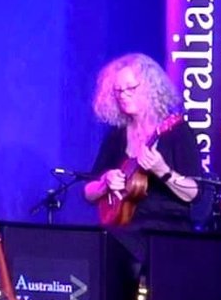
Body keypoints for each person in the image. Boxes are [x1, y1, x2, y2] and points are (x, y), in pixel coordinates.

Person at [80, 53, 204, 264]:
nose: (123, 95)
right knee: (93, 245)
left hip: (165, 230)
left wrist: (163, 171)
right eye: (118, 91)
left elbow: (194, 194)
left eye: (131, 88)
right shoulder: (116, 136)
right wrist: (105, 183)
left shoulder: (176, 131)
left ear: (150, 87)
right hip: (123, 228)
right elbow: (88, 192)